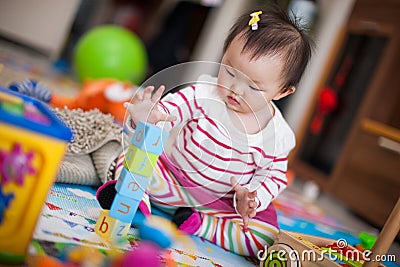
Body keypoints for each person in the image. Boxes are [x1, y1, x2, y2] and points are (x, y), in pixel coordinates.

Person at [97, 4, 313, 257]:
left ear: (282, 92)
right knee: (130, 158)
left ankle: (200, 225)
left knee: (265, 237)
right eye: (230, 71)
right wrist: (151, 116)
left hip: (220, 205)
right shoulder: (203, 93)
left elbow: (273, 176)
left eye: (254, 87)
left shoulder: (277, 136)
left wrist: (252, 197)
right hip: (172, 180)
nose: (236, 89)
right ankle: (136, 205)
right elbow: (170, 110)